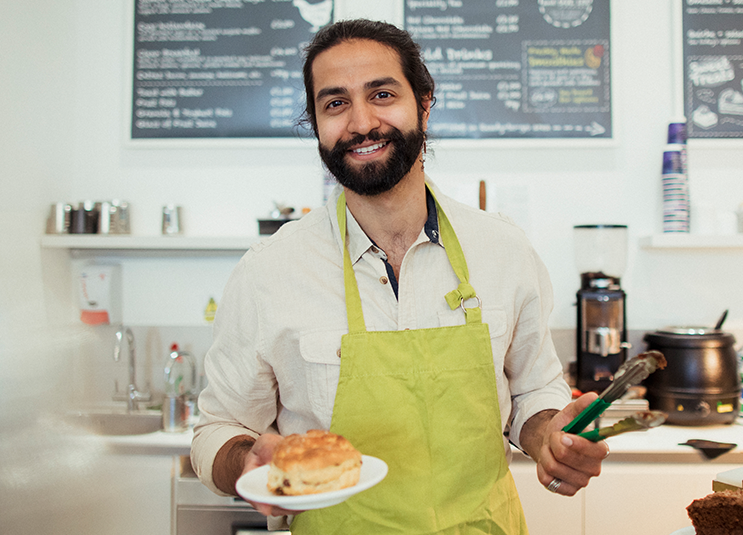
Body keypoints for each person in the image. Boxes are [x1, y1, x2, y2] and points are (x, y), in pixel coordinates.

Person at [191, 18, 609, 533]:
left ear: (424, 103)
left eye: (382, 95)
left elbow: (533, 394)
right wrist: (247, 461)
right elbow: (217, 430)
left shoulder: (503, 249)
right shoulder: (269, 272)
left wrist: (550, 438)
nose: (361, 122)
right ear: (316, 124)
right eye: (335, 103)